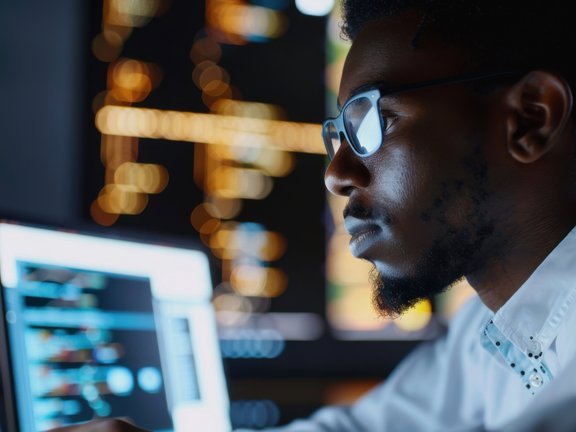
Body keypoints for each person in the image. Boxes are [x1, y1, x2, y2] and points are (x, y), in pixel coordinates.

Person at [51, 0, 576, 430]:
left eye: (371, 121)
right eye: (338, 137)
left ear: (530, 118)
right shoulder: (488, 331)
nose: (336, 173)